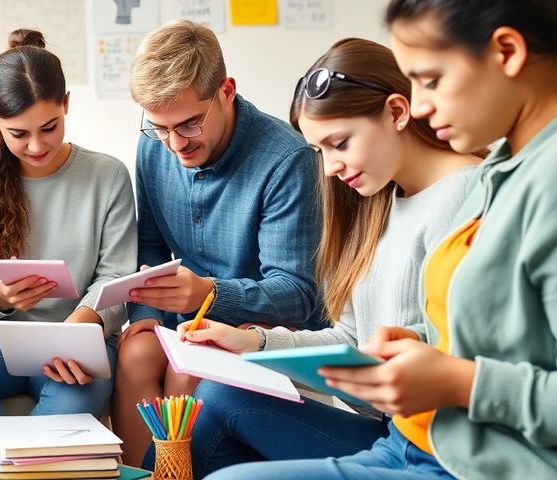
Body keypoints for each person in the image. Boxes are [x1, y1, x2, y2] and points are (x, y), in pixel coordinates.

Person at [209, 0, 557, 478]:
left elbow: (483, 366)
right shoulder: (506, 171)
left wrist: (458, 380)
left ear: (506, 52)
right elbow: (482, 336)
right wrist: (413, 343)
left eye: (431, 80)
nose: (418, 105)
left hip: (456, 453)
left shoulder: (512, 184)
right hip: (414, 441)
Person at [172, 37, 481, 477]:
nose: (331, 167)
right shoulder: (381, 199)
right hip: (389, 434)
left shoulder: (464, 198)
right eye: (320, 151)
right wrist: (256, 342)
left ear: (397, 112)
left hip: (431, 443)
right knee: (218, 397)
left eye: (340, 143)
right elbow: (352, 338)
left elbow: (460, 350)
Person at [112, 19, 324, 467]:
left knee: (189, 370)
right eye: (160, 127)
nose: (174, 144)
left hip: (258, 326)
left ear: (226, 90)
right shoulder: (155, 146)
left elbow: (297, 294)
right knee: (134, 353)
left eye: (189, 124)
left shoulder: (288, 159)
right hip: (184, 318)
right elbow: (149, 246)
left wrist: (210, 292)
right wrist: (147, 316)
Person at [0, 29, 136, 449]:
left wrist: (81, 329)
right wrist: (2, 298)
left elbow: (117, 277)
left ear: (66, 104)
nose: (36, 145)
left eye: (49, 127)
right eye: (18, 133)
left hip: (80, 337)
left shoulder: (107, 175)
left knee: (72, 401)